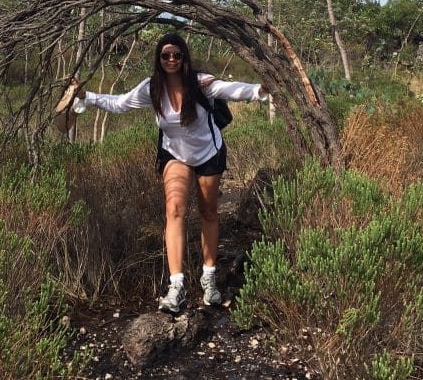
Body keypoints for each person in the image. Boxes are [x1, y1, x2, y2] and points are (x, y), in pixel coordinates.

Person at [56, 31, 267, 314]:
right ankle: (176, 285)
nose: (171, 60)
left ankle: (209, 278)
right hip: (174, 154)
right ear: (159, 58)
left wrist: (259, 90)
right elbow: (120, 104)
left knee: (208, 212)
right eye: (165, 55)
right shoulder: (151, 88)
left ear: (184, 58)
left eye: (176, 55)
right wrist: (87, 97)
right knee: (175, 209)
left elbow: (229, 89)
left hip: (208, 153)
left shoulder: (200, 83)